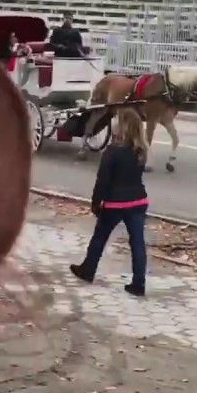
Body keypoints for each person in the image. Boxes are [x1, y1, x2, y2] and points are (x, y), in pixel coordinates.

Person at [70, 108, 148, 297]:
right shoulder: (141, 150)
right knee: (138, 243)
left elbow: (102, 180)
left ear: (121, 126)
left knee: (99, 238)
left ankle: (88, 270)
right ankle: (139, 283)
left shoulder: (112, 151)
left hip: (115, 202)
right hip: (138, 201)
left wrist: (96, 203)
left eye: (115, 120)